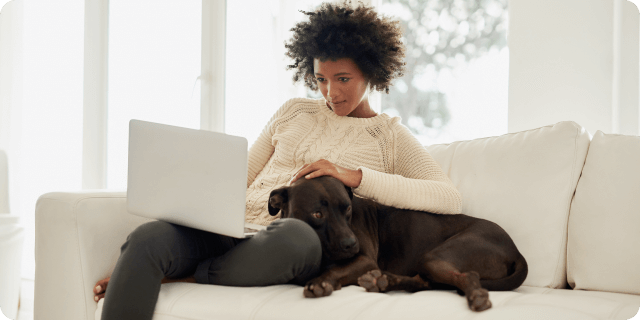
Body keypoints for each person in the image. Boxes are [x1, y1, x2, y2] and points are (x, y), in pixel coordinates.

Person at [95, 2, 462, 319]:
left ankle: (178, 275)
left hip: (286, 244)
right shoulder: (292, 112)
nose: (331, 93)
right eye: (320, 78)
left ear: (373, 71)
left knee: (296, 237)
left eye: (344, 78)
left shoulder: (388, 136)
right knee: (147, 238)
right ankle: (156, 266)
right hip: (230, 231)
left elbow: (448, 198)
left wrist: (353, 176)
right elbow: (241, 175)